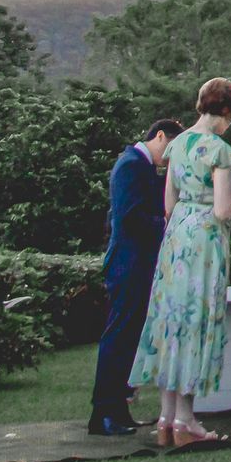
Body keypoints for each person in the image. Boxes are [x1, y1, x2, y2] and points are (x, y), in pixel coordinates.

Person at [130, 79, 231, 448]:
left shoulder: (177, 144)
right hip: (204, 242)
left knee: (172, 320)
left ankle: (166, 418)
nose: (230, 124)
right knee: (196, 320)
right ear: (226, 111)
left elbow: (168, 204)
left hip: (176, 237)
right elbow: (223, 210)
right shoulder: (220, 150)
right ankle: (185, 419)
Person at [89, 118, 182, 436]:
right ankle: (104, 412)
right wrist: (166, 226)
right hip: (127, 264)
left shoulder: (141, 166)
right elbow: (129, 217)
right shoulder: (131, 165)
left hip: (137, 263)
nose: (170, 160)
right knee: (118, 335)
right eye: (170, 150)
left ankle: (118, 409)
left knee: (129, 337)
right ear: (160, 136)